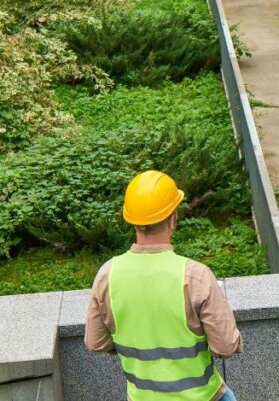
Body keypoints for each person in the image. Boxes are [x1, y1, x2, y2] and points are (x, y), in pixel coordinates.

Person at [85, 170, 243, 400]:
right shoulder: (195, 276)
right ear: (173, 218)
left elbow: (95, 341)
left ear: (131, 221)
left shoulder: (107, 276)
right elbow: (226, 346)